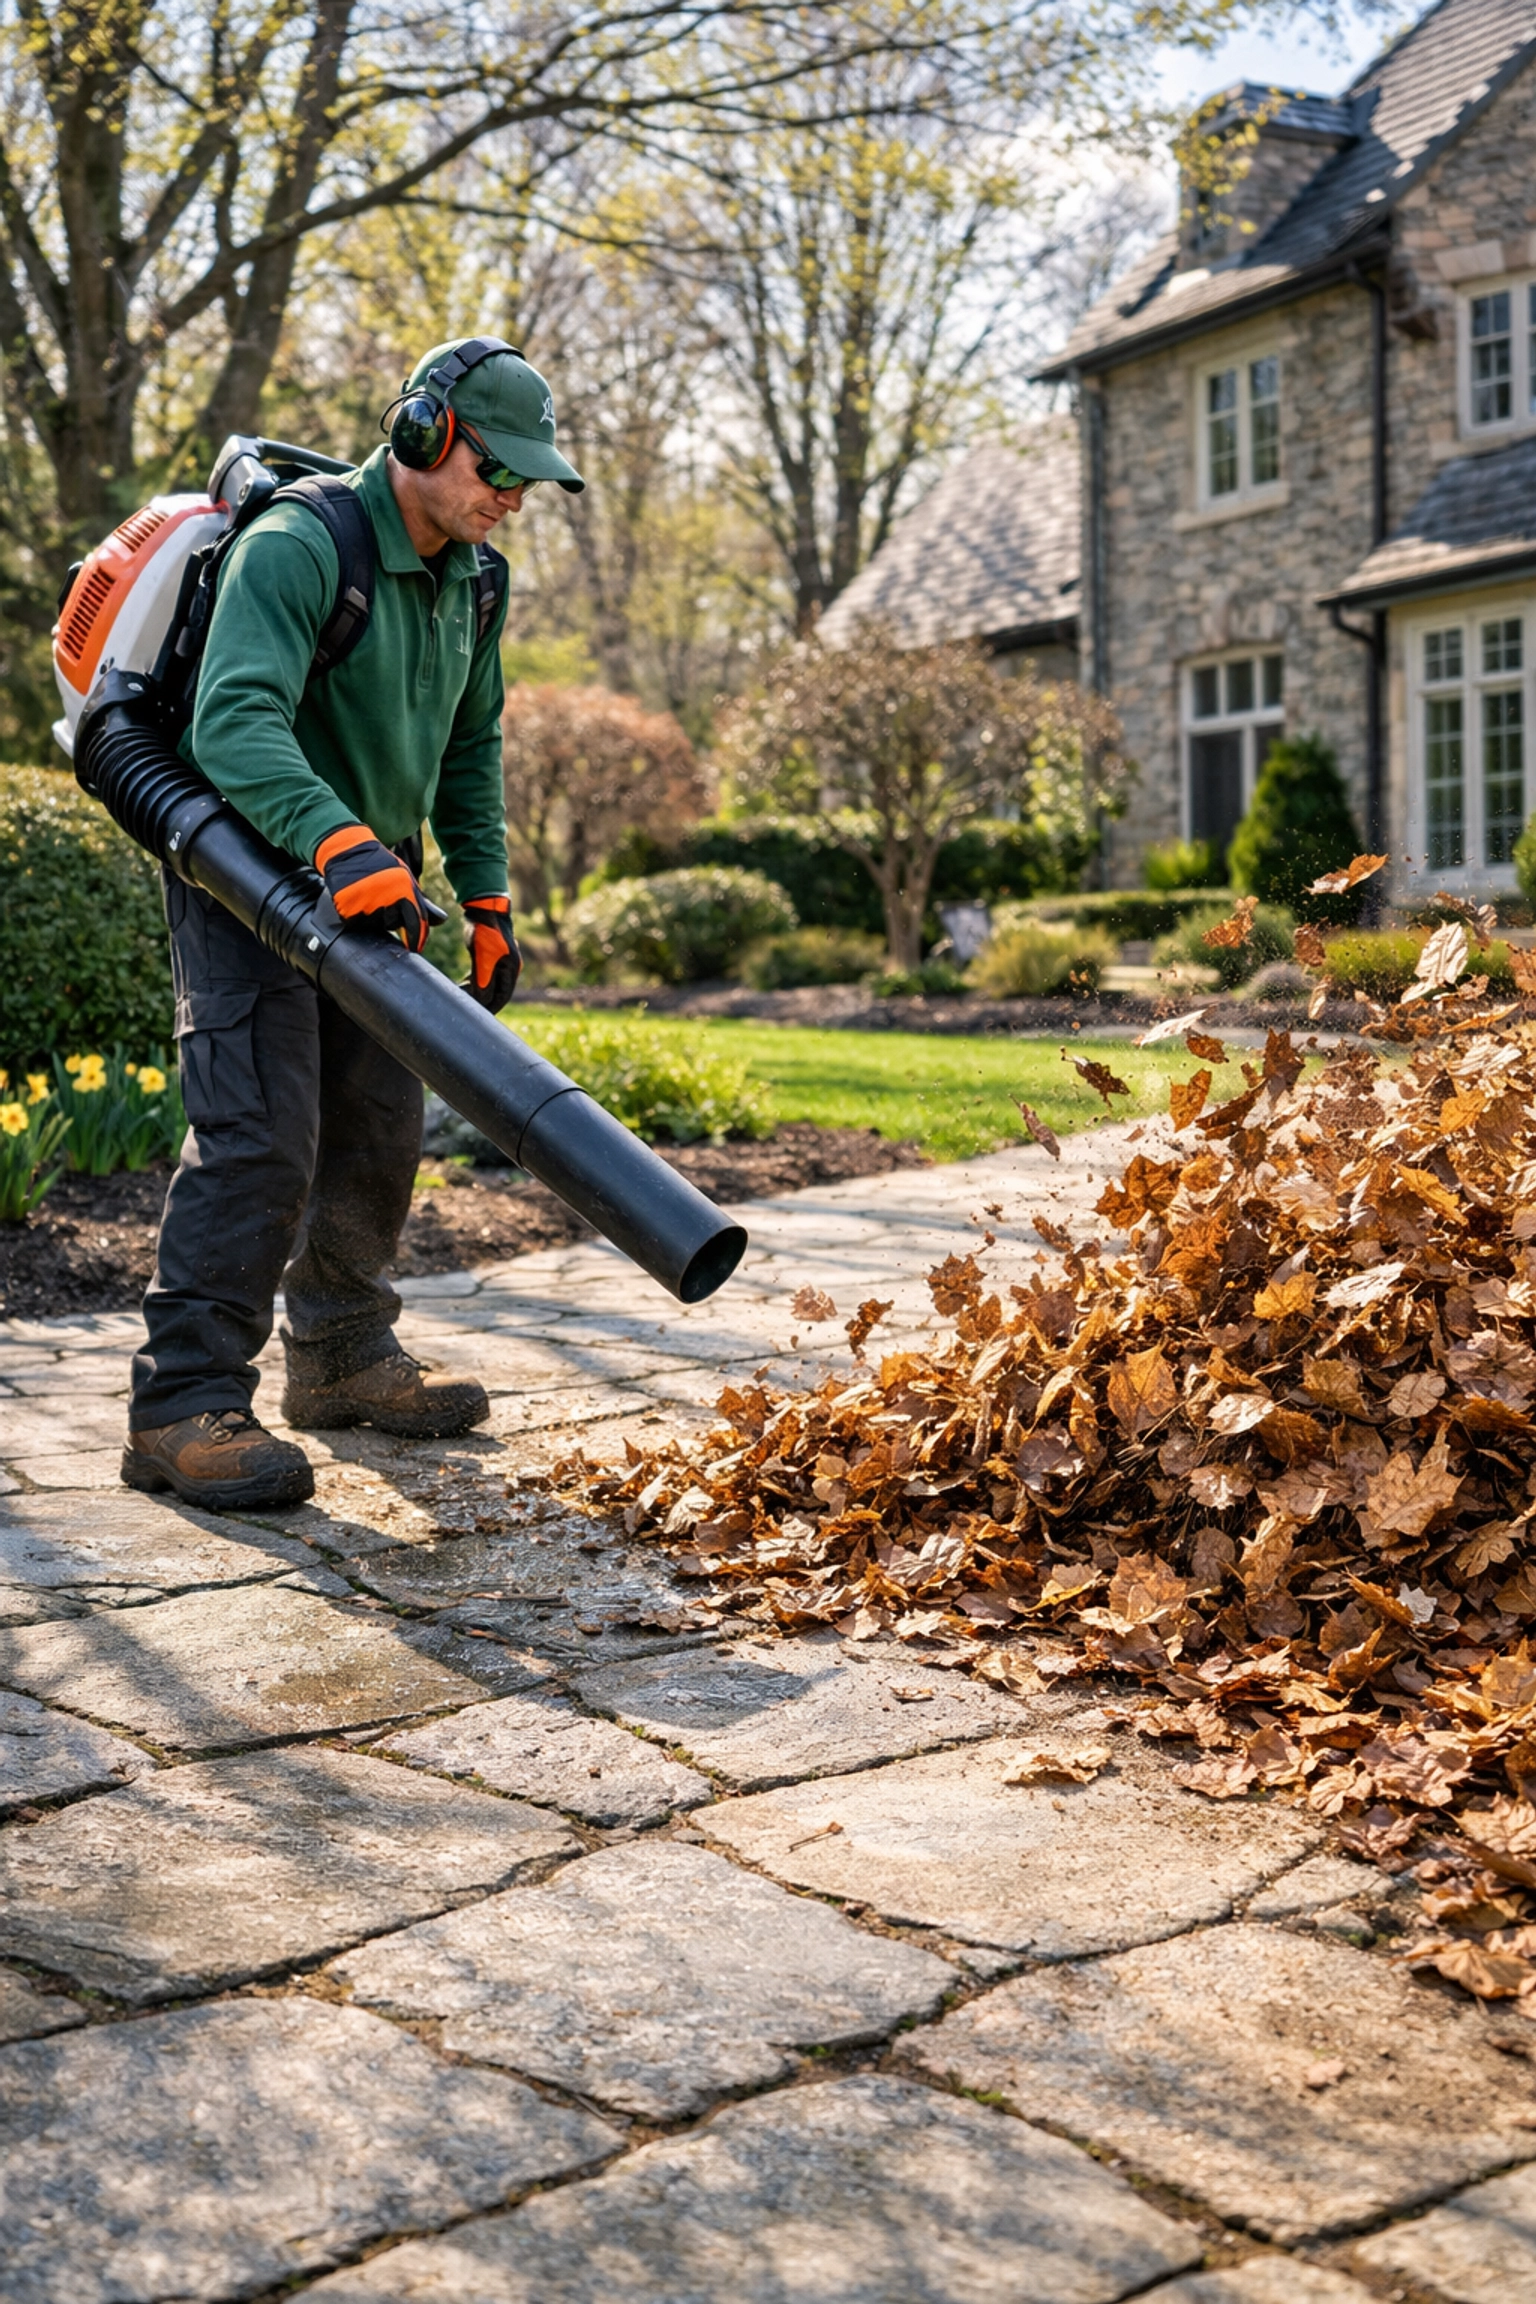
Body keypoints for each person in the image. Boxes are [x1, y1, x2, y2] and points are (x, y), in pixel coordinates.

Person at [121, 339, 584, 1511]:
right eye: (499, 468)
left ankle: (338, 1359)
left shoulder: (479, 576)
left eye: (528, 477)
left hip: (378, 875)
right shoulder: (299, 545)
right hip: (250, 868)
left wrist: (486, 898)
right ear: (423, 432)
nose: (512, 495)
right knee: (263, 1132)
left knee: (382, 1121)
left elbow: (468, 750)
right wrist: (334, 842)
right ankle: (181, 1405)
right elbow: (231, 723)